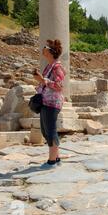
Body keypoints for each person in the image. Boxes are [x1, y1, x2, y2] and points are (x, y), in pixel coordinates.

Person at [33, 39, 66, 168]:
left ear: (51, 51)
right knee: (45, 130)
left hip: (52, 102)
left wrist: (43, 80)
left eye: (45, 47)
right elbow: (45, 82)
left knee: (50, 130)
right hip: (45, 101)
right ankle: (56, 157)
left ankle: (52, 161)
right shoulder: (49, 66)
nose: (43, 49)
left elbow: (59, 86)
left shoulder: (58, 67)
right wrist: (41, 80)